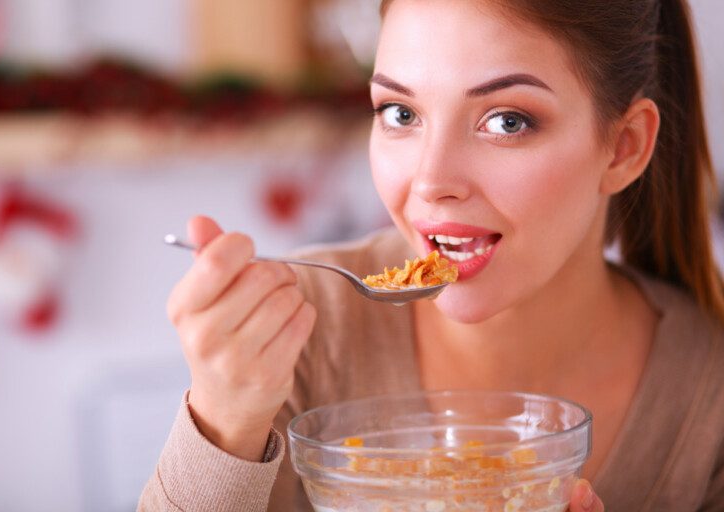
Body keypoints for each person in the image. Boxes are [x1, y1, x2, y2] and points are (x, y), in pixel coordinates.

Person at [139, 0, 724, 510]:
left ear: (623, 148)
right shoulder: (298, 332)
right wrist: (223, 421)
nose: (430, 181)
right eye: (401, 114)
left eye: (506, 121)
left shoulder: (707, 389)